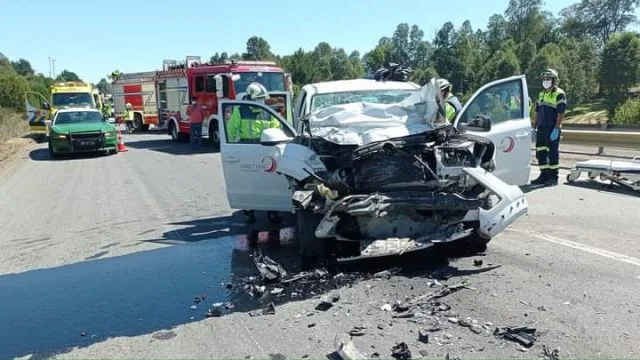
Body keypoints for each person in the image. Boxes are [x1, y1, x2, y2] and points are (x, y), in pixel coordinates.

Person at [531, 68, 567, 186]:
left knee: (552, 153)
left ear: (554, 80)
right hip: (541, 128)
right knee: (540, 152)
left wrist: (557, 128)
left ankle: (553, 177)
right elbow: (537, 111)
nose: (546, 81)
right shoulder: (542, 94)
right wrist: (533, 126)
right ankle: (544, 174)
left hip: (552, 128)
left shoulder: (559, 94)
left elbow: (560, 113)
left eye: (548, 79)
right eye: (544, 79)